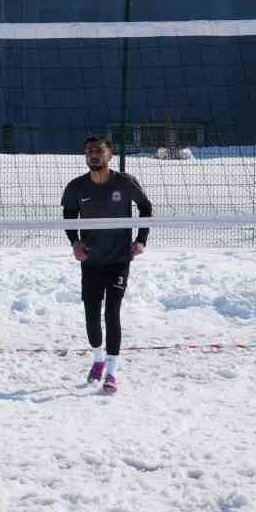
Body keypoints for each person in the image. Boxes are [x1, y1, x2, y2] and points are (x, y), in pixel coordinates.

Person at [63, 135, 152, 395]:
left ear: (110, 154)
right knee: (91, 315)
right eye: (89, 151)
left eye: (99, 151)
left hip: (118, 260)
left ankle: (112, 372)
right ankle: (98, 360)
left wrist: (141, 240)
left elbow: (145, 207)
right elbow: (68, 215)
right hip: (91, 261)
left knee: (111, 313)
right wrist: (75, 243)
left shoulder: (124, 183)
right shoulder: (76, 187)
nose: (93, 155)